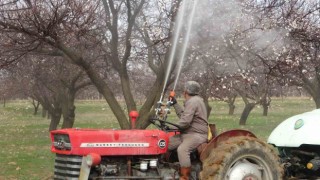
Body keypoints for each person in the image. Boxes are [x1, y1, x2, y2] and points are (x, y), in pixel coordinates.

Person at [168, 81, 209, 180]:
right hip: (187, 133)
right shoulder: (194, 100)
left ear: (185, 91)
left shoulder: (193, 101)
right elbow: (184, 115)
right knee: (166, 144)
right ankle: (166, 168)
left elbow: (185, 122)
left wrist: (171, 127)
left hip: (196, 134)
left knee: (183, 149)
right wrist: (175, 104)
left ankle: (185, 176)